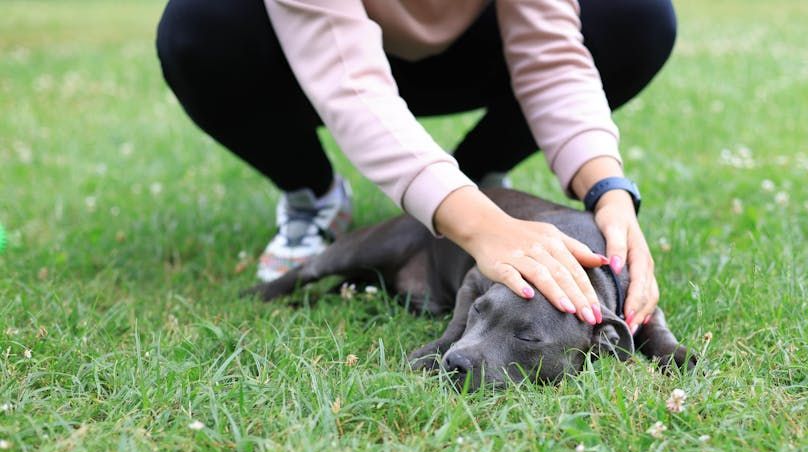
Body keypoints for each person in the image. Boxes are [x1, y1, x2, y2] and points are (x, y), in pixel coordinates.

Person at [156, 0, 676, 331]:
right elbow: (352, 85)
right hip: (312, 51)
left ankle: (476, 177)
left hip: (472, 49)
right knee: (199, 26)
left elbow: (552, 59)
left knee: (637, 15)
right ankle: (313, 192)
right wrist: (485, 229)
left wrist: (609, 191)